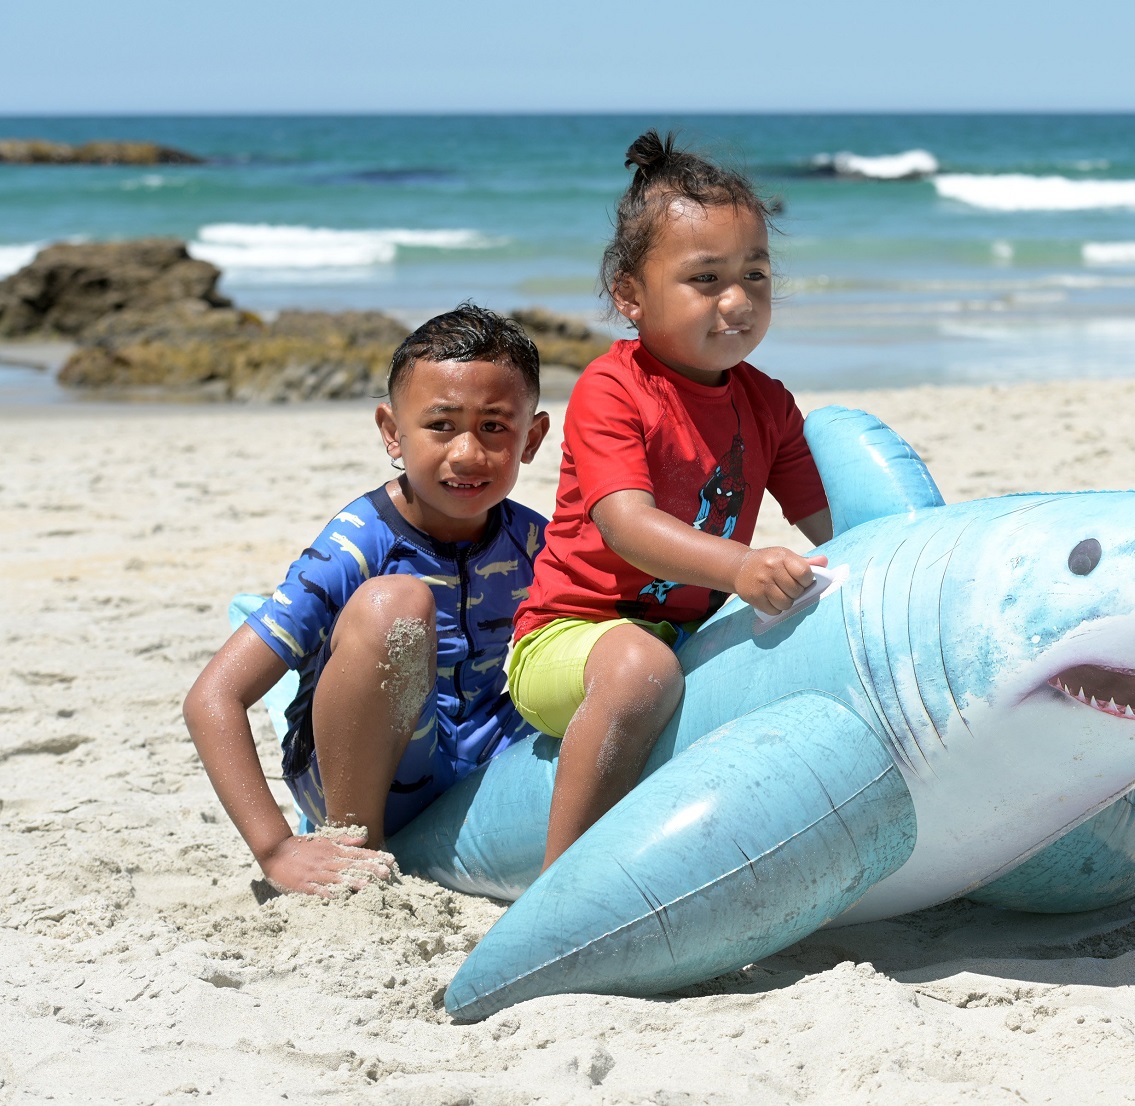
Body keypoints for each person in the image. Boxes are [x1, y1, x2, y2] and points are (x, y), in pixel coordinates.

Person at [507, 131, 834, 869]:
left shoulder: (768, 404)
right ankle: (567, 886)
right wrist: (745, 567)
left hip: (683, 639)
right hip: (569, 640)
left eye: (756, 274)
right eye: (706, 278)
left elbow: (833, 521)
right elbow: (627, 526)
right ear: (630, 294)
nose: (739, 299)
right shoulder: (611, 389)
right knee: (639, 669)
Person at [184, 305, 552, 895]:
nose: (466, 453)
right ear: (391, 432)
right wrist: (275, 847)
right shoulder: (356, 544)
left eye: (494, 426)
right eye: (441, 425)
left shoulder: (536, 541)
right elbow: (213, 697)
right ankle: (356, 844)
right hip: (366, 776)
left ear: (531, 438)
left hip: (478, 763)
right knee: (394, 607)